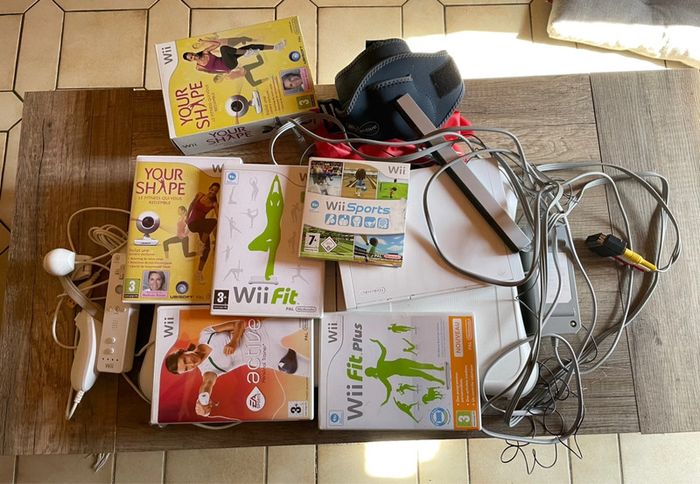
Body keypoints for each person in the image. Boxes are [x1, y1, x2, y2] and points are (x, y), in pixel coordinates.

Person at [164, 319, 309, 417]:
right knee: (312, 370)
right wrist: (203, 403)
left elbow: (238, 323)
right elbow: (207, 384)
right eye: (187, 368)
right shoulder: (208, 370)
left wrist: (234, 341)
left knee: (304, 318)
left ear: (184, 351)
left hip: (264, 331)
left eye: (185, 360)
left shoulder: (206, 335)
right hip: (269, 357)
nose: (191, 364)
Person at [183, 38, 285, 74]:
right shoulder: (199, 67)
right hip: (228, 66)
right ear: (191, 61)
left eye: (192, 54)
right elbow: (211, 72)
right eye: (191, 58)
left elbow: (217, 44)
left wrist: (204, 41)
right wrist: (224, 72)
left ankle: (276, 47)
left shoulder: (205, 52)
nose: (194, 56)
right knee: (223, 49)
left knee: (251, 46)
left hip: (228, 58)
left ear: (193, 52)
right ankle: (246, 53)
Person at [186, 183, 219, 283]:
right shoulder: (200, 195)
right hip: (192, 223)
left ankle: (199, 273)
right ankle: (201, 244)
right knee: (212, 222)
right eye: (212, 189)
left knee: (207, 249)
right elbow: (192, 205)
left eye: (215, 191)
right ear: (209, 188)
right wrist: (187, 217)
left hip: (202, 226)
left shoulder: (213, 204)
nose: (213, 192)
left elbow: (219, 216)